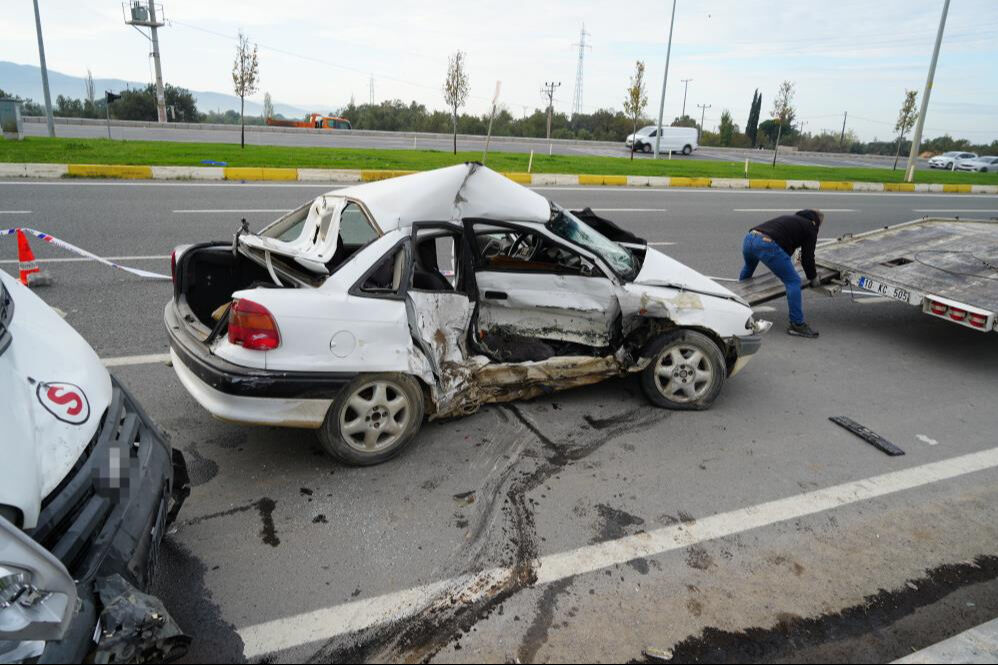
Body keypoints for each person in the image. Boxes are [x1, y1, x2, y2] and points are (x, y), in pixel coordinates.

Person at [739, 209, 824, 338]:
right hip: (765, 244)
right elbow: (807, 258)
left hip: (749, 238)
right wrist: (812, 277)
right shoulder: (810, 227)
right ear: (816, 222)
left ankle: (737, 306)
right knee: (794, 281)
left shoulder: (792, 219)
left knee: (749, 267)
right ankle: (797, 325)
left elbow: (784, 244)